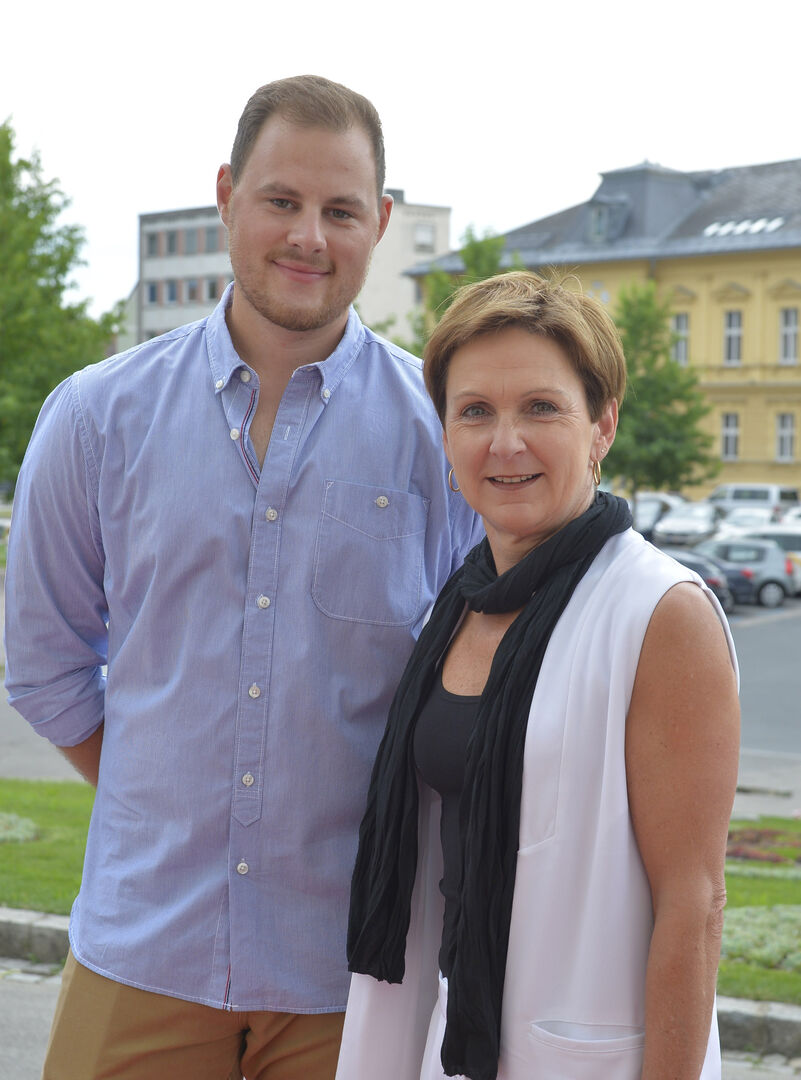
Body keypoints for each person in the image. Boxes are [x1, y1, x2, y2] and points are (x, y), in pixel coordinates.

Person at [4, 75, 482, 1080]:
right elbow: (44, 664)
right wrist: (164, 798)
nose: (309, 236)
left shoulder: (441, 436)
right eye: (281, 200)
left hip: (351, 975)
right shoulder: (94, 419)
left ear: (381, 222)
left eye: (340, 210)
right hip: (144, 950)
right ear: (226, 196)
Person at [339, 271, 741, 1080]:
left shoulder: (661, 613)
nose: (504, 442)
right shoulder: (456, 606)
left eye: (540, 407)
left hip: (589, 1054)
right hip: (453, 1040)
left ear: (601, 426)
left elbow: (692, 906)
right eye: (474, 411)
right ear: (445, 435)